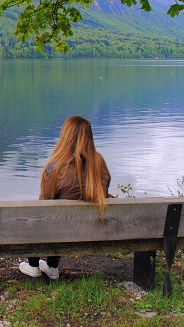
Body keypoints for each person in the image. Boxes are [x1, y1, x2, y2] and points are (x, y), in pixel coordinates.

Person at [19, 116, 111, 280]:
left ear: (65, 136)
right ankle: (52, 266)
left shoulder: (57, 168)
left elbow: (43, 208)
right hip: (92, 232)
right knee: (64, 218)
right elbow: (103, 193)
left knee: (34, 216)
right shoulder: (100, 163)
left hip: (60, 232)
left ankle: (33, 265)